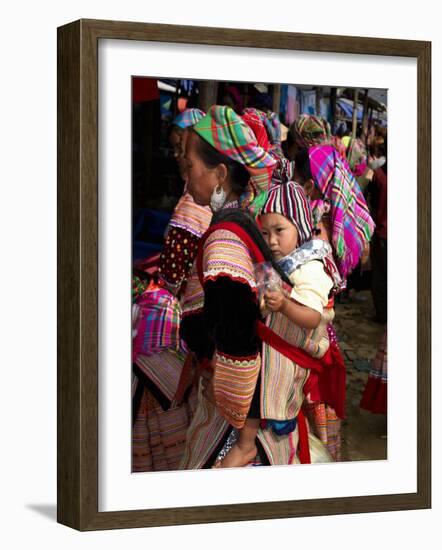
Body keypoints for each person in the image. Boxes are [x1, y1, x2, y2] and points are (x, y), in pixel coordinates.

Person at [178, 105, 331, 469]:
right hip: (262, 410)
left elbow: (236, 334)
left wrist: (234, 409)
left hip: (236, 417)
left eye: (189, 166)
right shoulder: (245, 221)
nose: (184, 177)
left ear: (218, 174)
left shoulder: (224, 239)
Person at [132, 108, 212, 472]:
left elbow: (173, 275)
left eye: (185, 151)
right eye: (177, 148)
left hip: (189, 321)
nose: (179, 156)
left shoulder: (191, 209)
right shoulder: (212, 205)